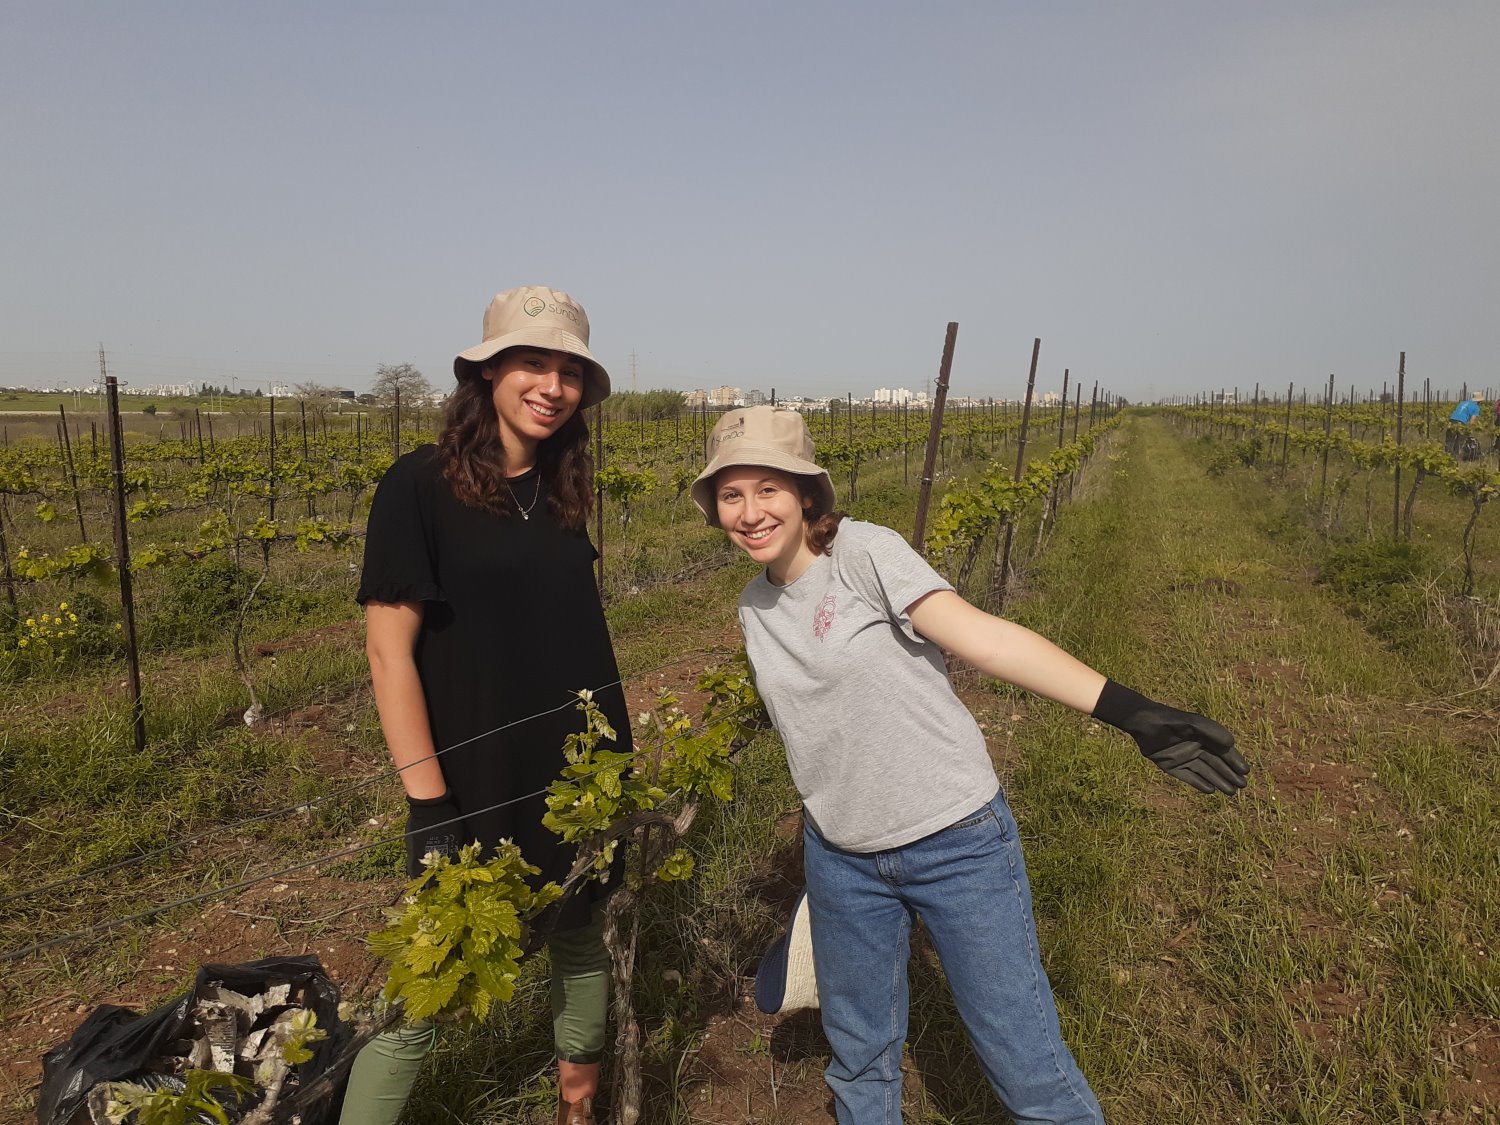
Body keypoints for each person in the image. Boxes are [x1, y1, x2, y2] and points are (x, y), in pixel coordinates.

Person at [690, 406, 1250, 1125]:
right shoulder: (754, 606)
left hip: (954, 841)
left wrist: (1130, 710)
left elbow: (986, 640)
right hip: (842, 860)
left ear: (806, 492)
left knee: (1026, 1064)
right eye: (731, 495)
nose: (750, 511)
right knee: (859, 1063)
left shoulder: (863, 554)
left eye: (768, 488)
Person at [344, 286, 628, 1125]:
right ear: (488, 373)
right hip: (474, 771)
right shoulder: (418, 488)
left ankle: (578, 1108)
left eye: (569, 369)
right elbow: (388, 652)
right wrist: (427, 798)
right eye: (532, 363)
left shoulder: (565, 487)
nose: (552, 384)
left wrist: (613, 755)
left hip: (578, 765)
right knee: (433, 975)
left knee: (579, 931)